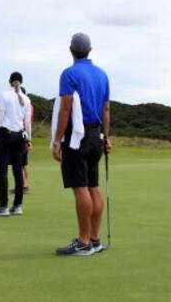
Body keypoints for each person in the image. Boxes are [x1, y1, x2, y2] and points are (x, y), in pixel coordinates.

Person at [51, 32, 111, 256]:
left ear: (71, 50)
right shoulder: (102, 75)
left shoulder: (69, 74)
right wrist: (106, 136)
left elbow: (66, 108)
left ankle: (84, 242)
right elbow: (106, 109)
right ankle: (94, 240)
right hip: (96, 135)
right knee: (93, 186)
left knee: (81, 188)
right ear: (90, 50)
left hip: (77, 135)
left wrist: (57, 140)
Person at [0, 72, 31, 217]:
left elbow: (0, 116)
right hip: (19, 136)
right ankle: (17, 206)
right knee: (17, 171)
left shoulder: (5, 95)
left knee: (2, 171)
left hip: (5, 135)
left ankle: (3, 206)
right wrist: (28, 139)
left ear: (10, 82)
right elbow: (27, 122)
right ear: (21, 82)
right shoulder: (26, 99)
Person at [20, 85, 33, 194]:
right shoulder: (30, 106)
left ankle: (23, 186)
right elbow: (29, 124)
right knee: (24, 162)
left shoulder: (20, 105)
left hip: (19, 134)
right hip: (25, 134)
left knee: (19, 162)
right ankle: (24, 184)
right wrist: (29, 139)